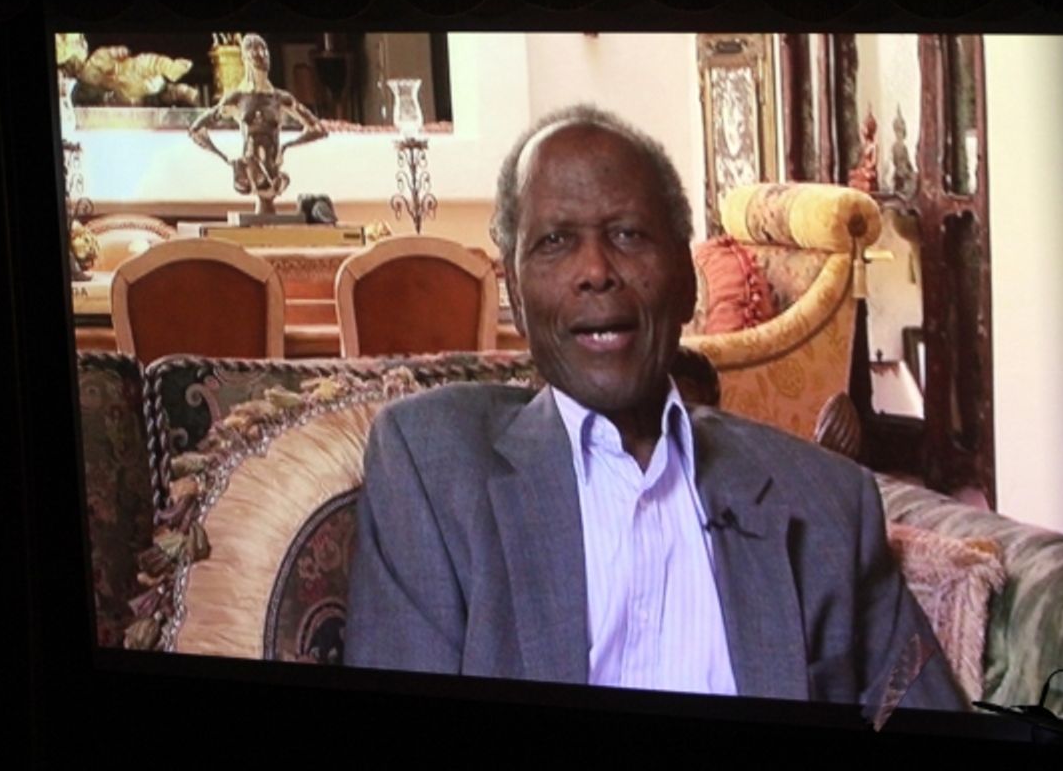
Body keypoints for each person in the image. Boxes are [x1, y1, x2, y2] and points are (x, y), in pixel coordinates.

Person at [344, 104, 967, 712]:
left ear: (687, 278)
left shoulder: (827, 501)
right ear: (514, 289)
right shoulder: (431, 467)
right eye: (556, 241)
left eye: (628, 235)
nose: (595, 270)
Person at [188, 33, 326, 214]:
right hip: (249, 169)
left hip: (273, 168)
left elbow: (318, 129)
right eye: (255, 51)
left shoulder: (280, 98)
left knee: (271, 190)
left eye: (265, 51)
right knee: (257, 179)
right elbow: (196, 129)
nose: (262, 55)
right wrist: (225, 158)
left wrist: (287, 146)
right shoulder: (237, 98)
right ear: (246, 58)